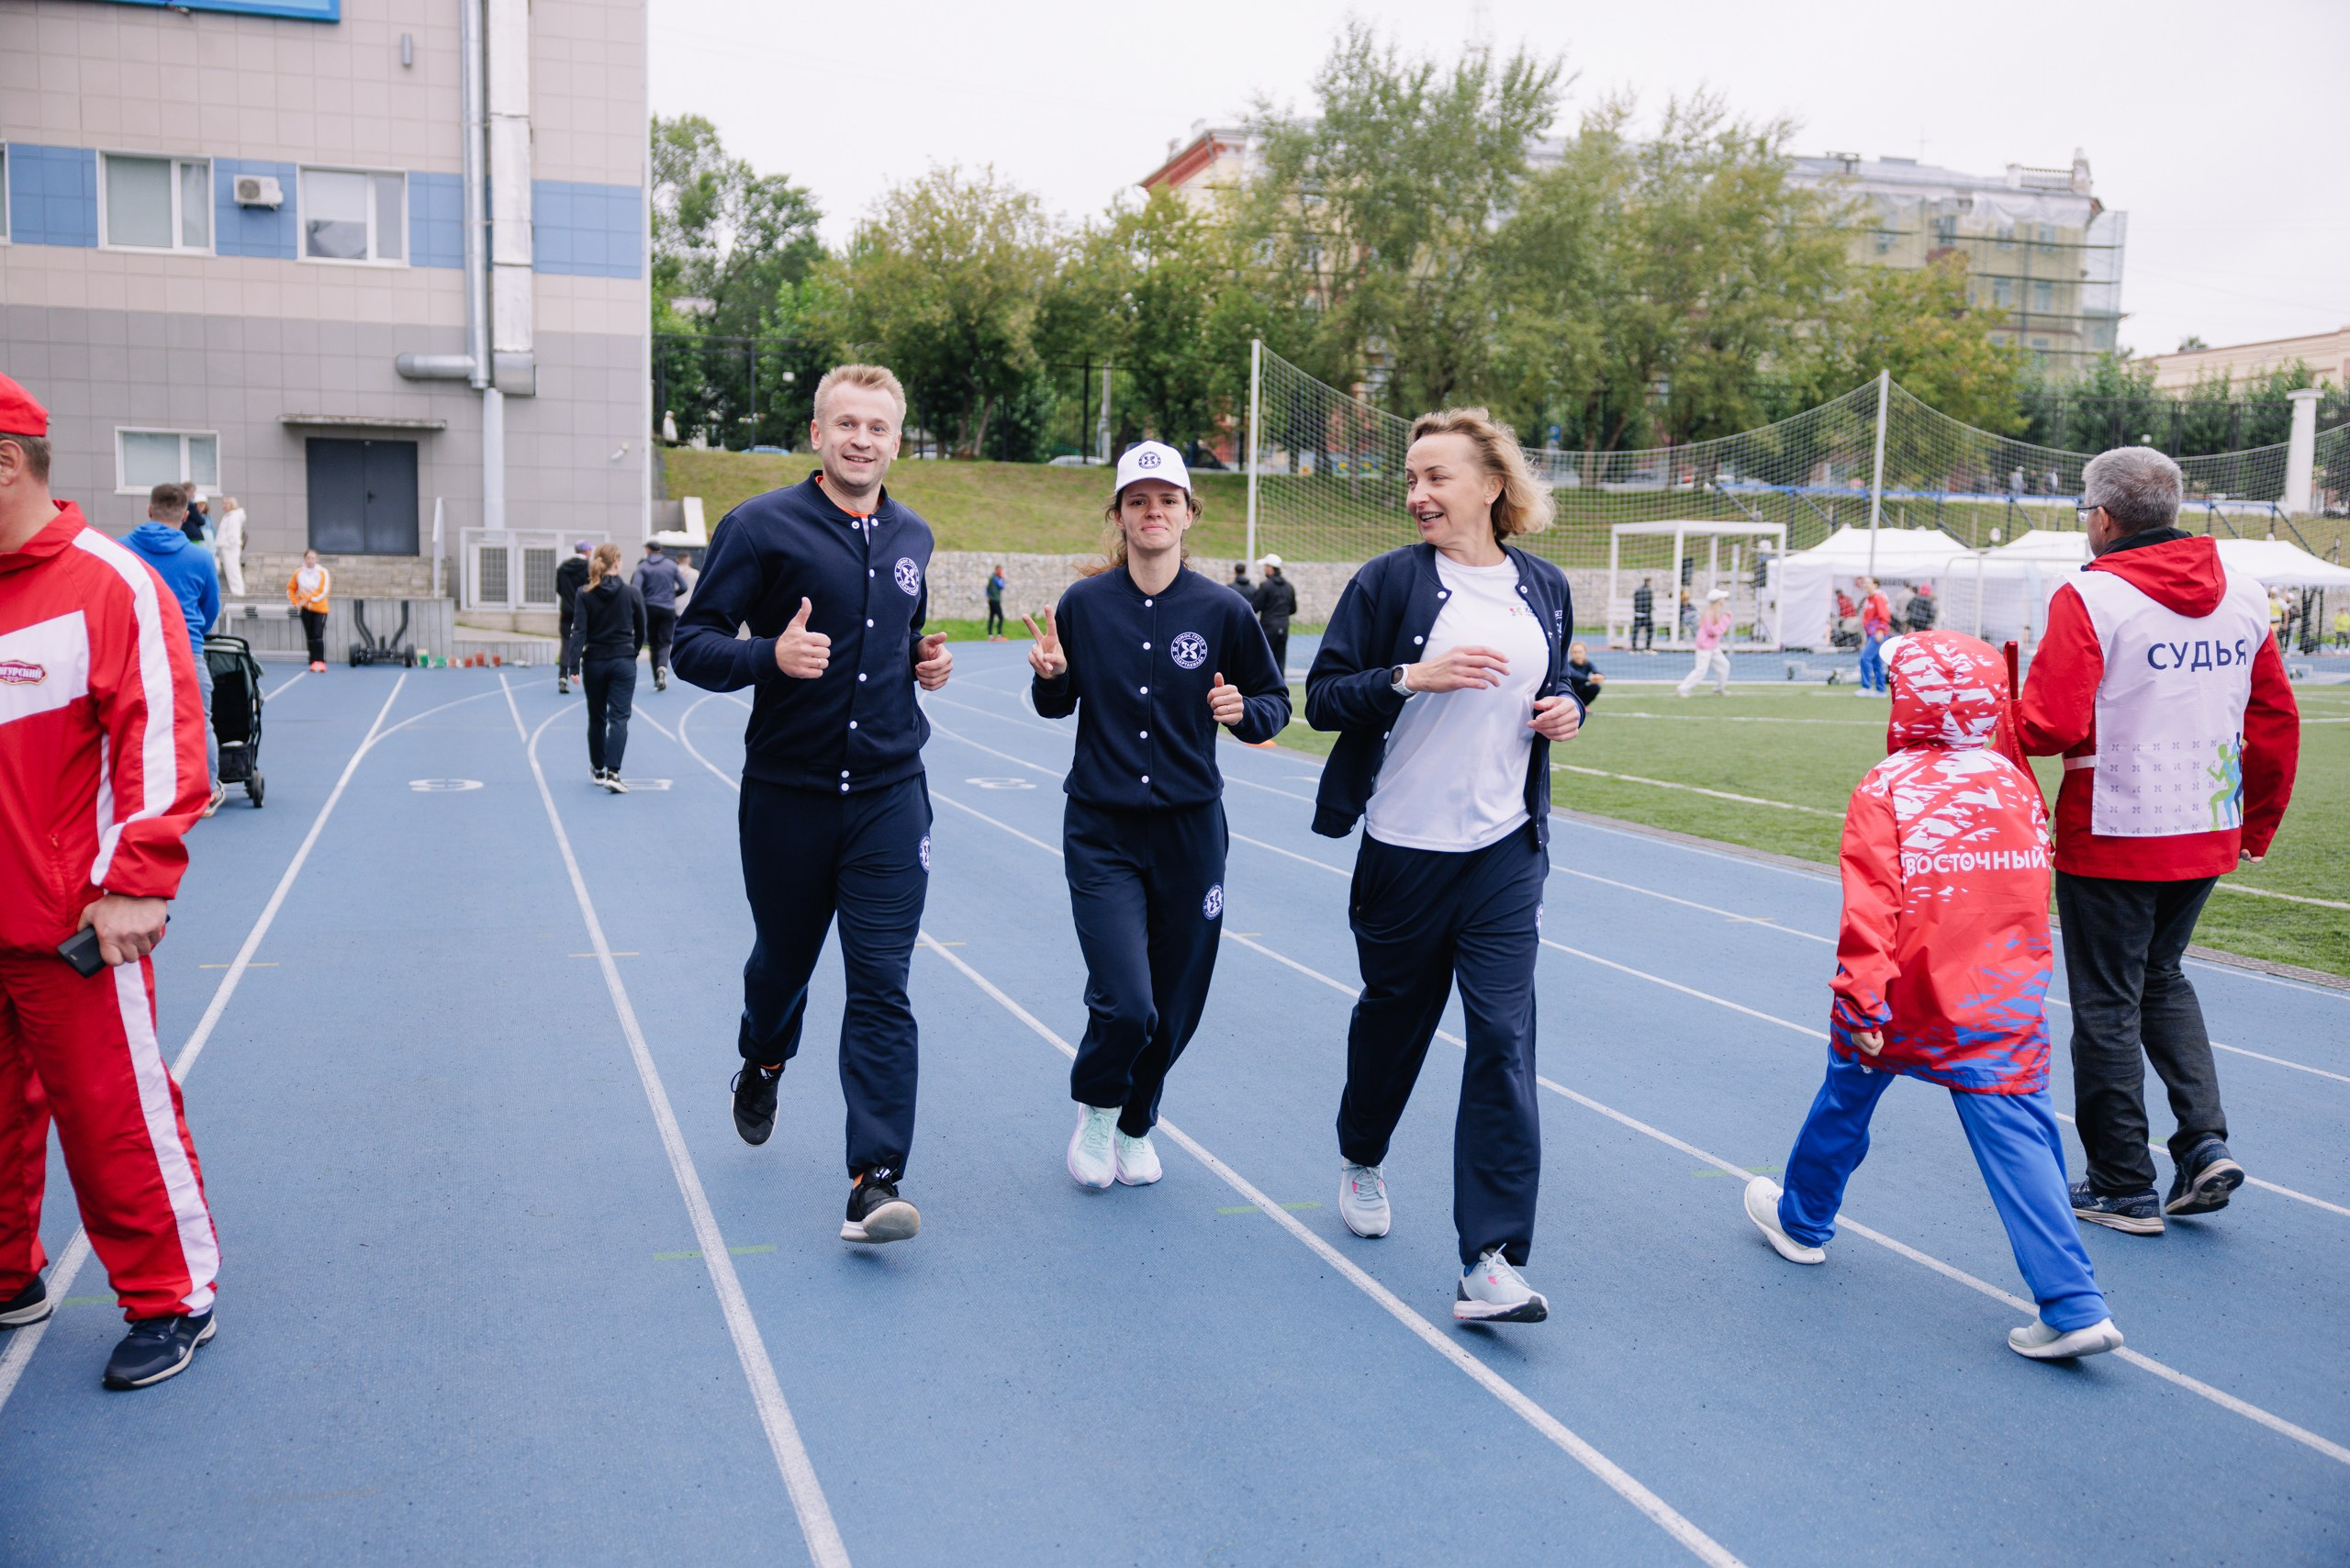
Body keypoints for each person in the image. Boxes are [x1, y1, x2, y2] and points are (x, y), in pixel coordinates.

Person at [1744, 630, 2123, 1361]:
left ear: (1907, 699)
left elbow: (1871, 905)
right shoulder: (2016, 784)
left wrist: (1862, 1001)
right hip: (2002, 998)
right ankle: (2074, 1302)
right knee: (2022, 1142)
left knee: (1845, 1100)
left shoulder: (1886, 786)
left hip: (1900, 992)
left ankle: (1802, 1222)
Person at [1304, 406, 1583, 1325]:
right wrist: (1409, 677)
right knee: (1394, 1025)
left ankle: (1490, 1259)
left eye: (1437, 477)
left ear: (1492, 485)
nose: (1417, 494)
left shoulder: (1543, 585)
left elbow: (1559, 683)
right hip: (1403, 851)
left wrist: (1568, 709)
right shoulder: (1387, 582)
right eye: (1412, 479)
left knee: (1503, 1040)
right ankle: (1362, 1152)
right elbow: (1322, 697)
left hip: (1504, 852)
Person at [674, 364, 953, 1247]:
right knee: (781, 967)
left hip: (889, 798)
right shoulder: (759, 526)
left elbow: (900, 633)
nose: (862, 439)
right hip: (788, 799)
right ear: (817, 434)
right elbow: (691, 646)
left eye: (878, 426)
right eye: (847, 424)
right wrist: (769, 657)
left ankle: (875, 1180)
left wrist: (924, 662)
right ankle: (762, 1058)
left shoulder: (914, 535)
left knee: (882, 986)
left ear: (897, 441)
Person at [0, 372, 222, 1391]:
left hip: (69, 922)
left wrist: (139, 880)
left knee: (110, 1113)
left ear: (8, 461)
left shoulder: (109, 582)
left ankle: (172, 1295)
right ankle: (10, 1274)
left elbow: (165, 743)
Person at [2017, 447, 2299, 1235]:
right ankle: (2204, 1144)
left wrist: (1998, 713)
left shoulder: (2090, 593)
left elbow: (2050, 724)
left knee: (2107, 1003)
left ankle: (2121, 1183)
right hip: (2206, 823)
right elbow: (2275, 718)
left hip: (2117, 826)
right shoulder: (2245, 595)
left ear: (2104, 518)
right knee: (2163, 978)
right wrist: (2257, 823)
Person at [1027, 442, 1289, 1191]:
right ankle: (1099, 1107)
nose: (1153, 512)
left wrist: (1243, 712)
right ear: (1118, 515)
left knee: (1175, 1004)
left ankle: (1138, 1122)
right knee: (1126, 1002)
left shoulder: (1224, 610)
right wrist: (1052, 676)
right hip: (1102, 829)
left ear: (1188, 513)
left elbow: (1273, 703)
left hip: (1190, 833)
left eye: (1167, 500)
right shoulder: (1084, 605)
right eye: (1138, 501)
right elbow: (1055, 704)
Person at [122, 484, 225, 816]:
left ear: (150, 511)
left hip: (134, 653)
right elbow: (210, 609)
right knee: (199, 722)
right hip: (185, 651)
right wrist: (193, 634)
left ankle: (136, 796)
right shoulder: (200, 557)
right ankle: (206, 794)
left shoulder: (120, 550)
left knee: (132, 724)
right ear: (185, 516)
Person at [574, 543, 648, 792]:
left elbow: (579, 631)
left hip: (594, 662)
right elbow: (642, 629)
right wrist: (632, 652)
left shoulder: (584, 593)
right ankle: (613, 774)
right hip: (623, 661)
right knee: (619, 718)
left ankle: (597, 769)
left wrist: (573, 666)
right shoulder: (632, 593)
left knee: (596, 717)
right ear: (617, 563)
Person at [632, 540, 685, 691]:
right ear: (660, 549)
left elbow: (636, 589)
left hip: (650, 608)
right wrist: (671, 595)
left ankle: (656, 678)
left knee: (653, 644)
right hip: (668, 608)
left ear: (648, 550)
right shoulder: (671, 565)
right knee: (665, 642)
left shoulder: (642, 567)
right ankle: (662, 668)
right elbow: (684, 586)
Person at [1675, 588, 1733, 698]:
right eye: (1722, 598)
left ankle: (1718, 689)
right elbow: (1714, 631)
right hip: (1705, 646)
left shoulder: (1715, 612)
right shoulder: (1709, 613)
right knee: (1701, 670)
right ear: (1717, 600)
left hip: (1712, 646)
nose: (1724, 600)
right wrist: (1726, 619)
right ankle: (1682, 689)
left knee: (1724, 665)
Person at [554, 540, 591, 695]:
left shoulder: (563, 567)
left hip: (566, 609)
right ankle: (589, 677)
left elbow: (559, 589)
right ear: (587, 551)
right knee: (588, 642)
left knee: (566, 642)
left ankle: (563, 676)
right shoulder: (588, 567)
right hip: (583, 610)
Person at [1252, 554, 1297, 678]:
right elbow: (1293, 609)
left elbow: (1255, 607)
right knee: (1280, 661)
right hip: (1284, 627)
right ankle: (1280, 687)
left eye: (1265, 566)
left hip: (1268, 627)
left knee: (1264, 660)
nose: (1264, 569)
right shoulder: (1289, 587)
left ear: (1270, 568)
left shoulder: (1266, 585)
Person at [286, 548, 330, 672]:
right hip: (305, 609)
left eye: (313, 558)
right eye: (308, 558)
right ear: (304, 559)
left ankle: (320, 661)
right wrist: (295, 603)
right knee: (310, 635)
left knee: (317, 633)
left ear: (317, 559)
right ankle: (313, 660)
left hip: (320, 608)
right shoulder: (298, 573)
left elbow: (323, 591)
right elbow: (291, 589)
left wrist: (307, 600)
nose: (311, 561)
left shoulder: (323, 572)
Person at [1854, 577, 1892, 695]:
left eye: (1867, 583)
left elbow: (1884, 615)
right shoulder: (1869, 599)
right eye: (1864, 583)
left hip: (1878, 633)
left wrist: (1880, 630)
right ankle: (1881, 690)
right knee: (1876, 662)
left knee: (1865, 658)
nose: (1865, 585)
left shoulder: (1878, 598)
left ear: (1875, 585)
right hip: (1871, 634)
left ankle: (1866, 687)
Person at [215, 495, 247, 598]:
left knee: (233, 570)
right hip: (228, 547)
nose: (223, 506)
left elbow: (233, 534)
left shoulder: (234, 516)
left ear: (232, 504)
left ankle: (238, 592)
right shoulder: (229, 516)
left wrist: (226, 544)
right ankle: (236, 591)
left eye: (226, 504)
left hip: (230, 548)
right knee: (230, 570)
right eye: (223, 504)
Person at [1565, 640, 1605, 709]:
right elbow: (1575, 675)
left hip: (1582, 691)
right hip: (1571, 692)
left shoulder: (1588, 664)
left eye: (1580, 652)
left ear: (1585, 653)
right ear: (1571, 654)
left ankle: (1583, 706)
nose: (1578, 655)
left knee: (1596, 687)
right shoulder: (1568, 665)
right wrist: (1589, 679)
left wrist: (1599, 676)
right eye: (1575, 652)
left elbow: (1596, 671)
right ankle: (1574, 706)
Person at [1629, 576, 1655, 652]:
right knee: (1651, 630)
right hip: (1645, 615)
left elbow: (1635, 602)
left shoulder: (1637, 591)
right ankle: (1648, 648)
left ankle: (1634, 648)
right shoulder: (1649, 591)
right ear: (1649, 582)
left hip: (1637, 614)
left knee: (1635, 631)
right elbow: (1649, 605)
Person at [984, 563, 1008, 641]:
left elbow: (987, 588)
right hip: (995, 600)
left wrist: (987, 596)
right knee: (1000, 617)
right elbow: (1001, 586)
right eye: (1000, 570)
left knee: (992, 617)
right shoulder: (996, 578)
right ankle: (999, 634)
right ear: (997, 570)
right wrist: (1003, 578)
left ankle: (990, 635)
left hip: (991, 600)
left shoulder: (991, 577)